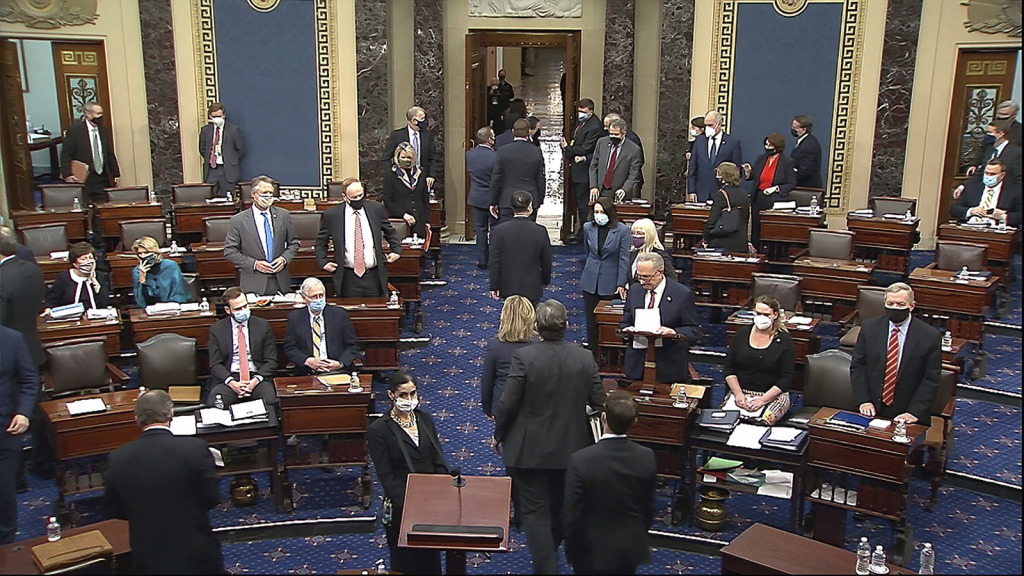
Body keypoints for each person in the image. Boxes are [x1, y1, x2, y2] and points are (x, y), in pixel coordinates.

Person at [493, 299, 607, 575]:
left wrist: (499, 434)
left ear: (536, 327)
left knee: (535, 513)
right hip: (573, 451)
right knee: (563, 509)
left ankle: (547, 568)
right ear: (567, 325)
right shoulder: (584, 357)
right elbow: (599, 401)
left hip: (529, 452)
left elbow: (508, 403)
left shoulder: (525, 357)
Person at [104, 390, 223, 574]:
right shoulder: (196, 449)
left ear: (137, 419)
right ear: (170, 414)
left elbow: (114, 508)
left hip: (148, 553)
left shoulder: (118, 458)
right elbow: (211, 498)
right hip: (196, 550)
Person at [563, 390, 656, 575]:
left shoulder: (581, 460)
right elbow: (647, 508)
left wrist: (572, 552)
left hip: (590, 552)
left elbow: (572, 514)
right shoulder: (646, 456)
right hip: (629, 549)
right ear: (634, 422)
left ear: (603, 418)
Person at [367, 371, 448, 575]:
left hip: (431, 503)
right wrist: (411, 504)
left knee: (431, 561)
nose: (409, 399)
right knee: (406, 563)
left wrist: (441, 490)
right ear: (391, 395)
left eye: (413, 393)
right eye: (403, 395)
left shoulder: (424, 419)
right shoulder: (379, 430)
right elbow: (386, 476)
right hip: (403, 506)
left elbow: (437, 458)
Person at [851, 282, 941, 423]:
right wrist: (864, 400)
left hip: (908, 411)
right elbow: (858, 366)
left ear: (911, 306)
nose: (894, 308)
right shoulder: (870, 327)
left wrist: (914, 412)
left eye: (900, 304)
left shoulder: (929, 336)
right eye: (890, 303)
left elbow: (930, 379)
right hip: (871, 407)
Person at [0, 228, 49, 479]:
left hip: (6, 357)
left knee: (9, 417)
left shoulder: (1, 278)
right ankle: (42, 464)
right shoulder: (32, 269)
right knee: (35, 412)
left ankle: (16, 476)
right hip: (31, 349)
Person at [620, 252, 703, 383]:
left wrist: (674, 332)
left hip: (668, 364)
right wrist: (627, 330)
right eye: (639, 276)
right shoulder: (635, 290)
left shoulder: (682, 294)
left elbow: (694, 330)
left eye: (646, 277)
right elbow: (625, 322)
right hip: (637, 364)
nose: (642, 281)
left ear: (660, 272)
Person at [316, 178, 402, 298]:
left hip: (374, 275)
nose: (358, 199)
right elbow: (321, 241)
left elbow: (390, 231)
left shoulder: (375, 209)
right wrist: (323, 262)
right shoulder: (332, 215)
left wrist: (396, 250)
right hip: (348, 277)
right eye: (354, 197)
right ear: (345, 197)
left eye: (361, 195)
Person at [724, 295, 795, 425]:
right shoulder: (742, 334)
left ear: (775, 315)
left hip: (772, 395)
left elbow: (786, 378)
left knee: (760, 423)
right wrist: (738, 395)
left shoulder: (784, 341)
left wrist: (762, 400)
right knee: (726, 421)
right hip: (742, 391)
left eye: (766, 315)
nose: (761, 318)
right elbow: (729, 368)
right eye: (758, 313)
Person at [223, 175, 299, 295]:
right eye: (264, 193)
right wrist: (254, 264)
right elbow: (230, 251)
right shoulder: (238, 220)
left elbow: (294, 243)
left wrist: (284, 259)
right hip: (254, 282)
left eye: (270, 193)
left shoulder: (283, 215)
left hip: (280, 281)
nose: (268, 196)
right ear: (254, 194)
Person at [207, 286, 278, 407]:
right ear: (228, 310)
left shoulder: (262, 325)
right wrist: (232, 383)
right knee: (215, 404)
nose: (243, 311)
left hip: (257, 377)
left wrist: (255, 381)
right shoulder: (217, 329)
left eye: (245, 306)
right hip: (230, 378)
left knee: (270, 402)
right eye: (238, 309)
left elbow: (271, 361)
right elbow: (215, 364)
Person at [0, 327, 37, 545]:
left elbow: (29, 380)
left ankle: (6, 545)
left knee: (4, 493)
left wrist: (23, 413)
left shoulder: (12, 339)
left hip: (5, 429)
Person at [284, 277, 362, 375]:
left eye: (321, 295)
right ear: (304, 298)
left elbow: (353, 346)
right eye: (314, 296)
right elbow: (290, 348)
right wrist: (307, 361)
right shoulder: (295, 318)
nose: (318, 300)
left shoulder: (340, 315)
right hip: (307, 372)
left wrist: (340, 364)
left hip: (337, 371)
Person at [581, 198, 630, 351]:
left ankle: (608, 351)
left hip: (611, 280)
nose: (599, 215)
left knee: (607, 319)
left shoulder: (622, 230)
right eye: (596, 212)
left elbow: (624, 259)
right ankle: (593, 349)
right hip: (590, 279)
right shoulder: (588, 227)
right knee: (591, 319)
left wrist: (621, 283)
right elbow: (588, 252)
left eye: (602, 212)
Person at [489, 192, 552, 305]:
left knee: (511, 315)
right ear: (529, 207)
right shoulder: (540, 231)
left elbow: (494, 262)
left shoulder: (498, 231)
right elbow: (546, 261)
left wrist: (494, 286)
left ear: (512, 207)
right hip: (532, 287)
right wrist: (545, 281)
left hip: (508, 286)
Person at [481, 296, 536, 419]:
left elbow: (487, 382)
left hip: (502, 407)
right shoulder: (539, 344)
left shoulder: (495, 345)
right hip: (532, 408)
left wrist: (488, 410)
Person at [59, 101, 120, 203]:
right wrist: (67, 174)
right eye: (98, 114)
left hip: (102, 178)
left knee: (102, 206)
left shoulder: (103, 130)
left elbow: (109, 153)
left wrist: (116, 174)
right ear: (88, 114)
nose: (101, 117)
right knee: (85, 206)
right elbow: (66, 154)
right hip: (85, 178)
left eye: (101, 113)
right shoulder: (75, 130)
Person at [743, 133, 797, 247]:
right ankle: (756, 249)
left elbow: (791, 184)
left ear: (777, 146)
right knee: (756, 227)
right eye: (766, 145)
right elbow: (755, 176)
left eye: (770, 145)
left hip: (774, 198)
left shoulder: (787, 162)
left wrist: (775, 188)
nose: (767, 147)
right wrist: (748, 172)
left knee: (769, 228)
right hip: (758, 197)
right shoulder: (761, 158)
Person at [562, 98, 604, 243]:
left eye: (583, 111)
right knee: (580, 204)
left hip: (584, 173)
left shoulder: (594, 126)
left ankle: (583, 235)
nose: (580, 114)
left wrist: (568, 148)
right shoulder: (581, 123)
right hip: (577, 170)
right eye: (579, 111)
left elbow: (586, 148)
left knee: (584, 206)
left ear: (591, 111)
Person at [490, 119, 546, 224]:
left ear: (513, 131)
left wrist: (493, 201)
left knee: (506, 231)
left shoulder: (502, 151)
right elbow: (540, 178)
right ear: (528, 132)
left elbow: (496, 178)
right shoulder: (536, 151)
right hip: (529, 199)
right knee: (527, 231)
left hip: (506, 199)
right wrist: (539, 200)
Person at [687, 110, 743, 202]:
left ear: (719, 124)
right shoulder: (699, 141)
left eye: (710, 125)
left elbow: (737, 170)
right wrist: (692, 191)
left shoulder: (732, 143)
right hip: (701, 192)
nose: (707, 128)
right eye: (706, 125)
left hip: (723, 193)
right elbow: (692, 167)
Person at [951, 158, 1022, 227]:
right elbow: (954, 209)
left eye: (993, 174)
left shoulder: (1015, 191)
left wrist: (1002, 216)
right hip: (971, 227)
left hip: (997, 229)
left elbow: (1019, 216)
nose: (988, 176)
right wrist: (970, 211)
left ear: (1002, 175)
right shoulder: (972, 188)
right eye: (986, 173)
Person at [383, 142, 430, 237]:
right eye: (403, 157)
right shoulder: (391, 175)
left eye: (409, 157)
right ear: (397, 158)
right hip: (401, 221)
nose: (406, 160)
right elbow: (387, 201)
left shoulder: (420, 173)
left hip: (419, 221)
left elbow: (425, 199)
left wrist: (427, 221)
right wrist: (404, 214)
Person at [466, 126, 498, 268]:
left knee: (480, 230)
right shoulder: (496, 157)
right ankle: (495, 259)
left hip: (477, 197)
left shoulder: (469, 155)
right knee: (495, 230)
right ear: (490, 140)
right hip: (493, 199)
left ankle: (482, 261)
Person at [589, 117, 642, 203]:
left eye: (616, 134)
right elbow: (593, 166)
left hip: (620, 193)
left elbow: (633, 175)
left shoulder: (634, 149)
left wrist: (624, 190)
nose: (613, 137)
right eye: (611, 134)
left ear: (623, 134)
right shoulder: (601, 142)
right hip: (600, 191)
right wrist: (593, 186)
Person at [45, 242, 111, 310]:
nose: (88, 261)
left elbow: (104, 303)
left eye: (90, 258)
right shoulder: (64, 277)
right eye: (83, 259)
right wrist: (48, 309)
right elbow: (52, 300)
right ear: (75, 263)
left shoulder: (100, 276)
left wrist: (94, 282)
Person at [199, 102, 246, 197]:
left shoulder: (233, 130)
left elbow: (241, 149)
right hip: (211, 170)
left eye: (219, 116)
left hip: (228, 170)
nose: (217, 118)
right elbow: (202, 149)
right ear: (210, 116)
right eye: (214, 116)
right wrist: (212, 158)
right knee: (209, 197)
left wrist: (231, 159)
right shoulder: (205, 130)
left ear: (224, 115)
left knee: (227, 198)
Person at [130, 236, 191, 308]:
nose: (143, 256)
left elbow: (180, 293)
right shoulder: (137, 272)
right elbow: (142, 302)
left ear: (155, 252)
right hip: (151, 310)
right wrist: (142, 281)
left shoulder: (171, 266)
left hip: (173, 308)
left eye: (146, 252)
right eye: (140, 253)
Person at [703, 162, 751, 254]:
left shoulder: (721, 195)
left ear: (724, 177)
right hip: (741, 243)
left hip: (721, 243)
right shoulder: (744, 193)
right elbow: (745, 218)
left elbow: (712, 221)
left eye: (718, 174)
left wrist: (705, 239)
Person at [381, 106, 435, 189]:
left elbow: (434, 157)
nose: (425, 121)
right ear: (413, 120)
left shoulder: (427, 135)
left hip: (423, 179)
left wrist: (431, 175)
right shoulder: (397, 135)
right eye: (422, 119)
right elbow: (386, 158)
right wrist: (392, 175)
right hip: (402, 179)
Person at [963, 119, 1022, 188]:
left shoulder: (1017, 152)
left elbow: (1018, 178)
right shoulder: (989, 149)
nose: (987, 135)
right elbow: (981, 171)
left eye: (990, 132)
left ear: (1001, 134)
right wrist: (963, 186)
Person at [602, 113, 646, 196]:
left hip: (627, 184)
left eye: (607, 126)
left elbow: (639, 161)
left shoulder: (632, 140)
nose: (605, 129)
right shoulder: (604, 141)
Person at [629, 218, 676, 284]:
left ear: (649, 235)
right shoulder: (632, 253)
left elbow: (672, 279)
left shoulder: (660, 255)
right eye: (633, 233)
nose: (635, 236)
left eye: (639, 233)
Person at [790, 115, 823, 188]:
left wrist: (788, 179)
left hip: (807, 188)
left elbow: (805, 172)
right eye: (792, 126)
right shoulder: (803, 142)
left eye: (795, 128)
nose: (792, 129)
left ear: (804, 129)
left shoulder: (809, 146)